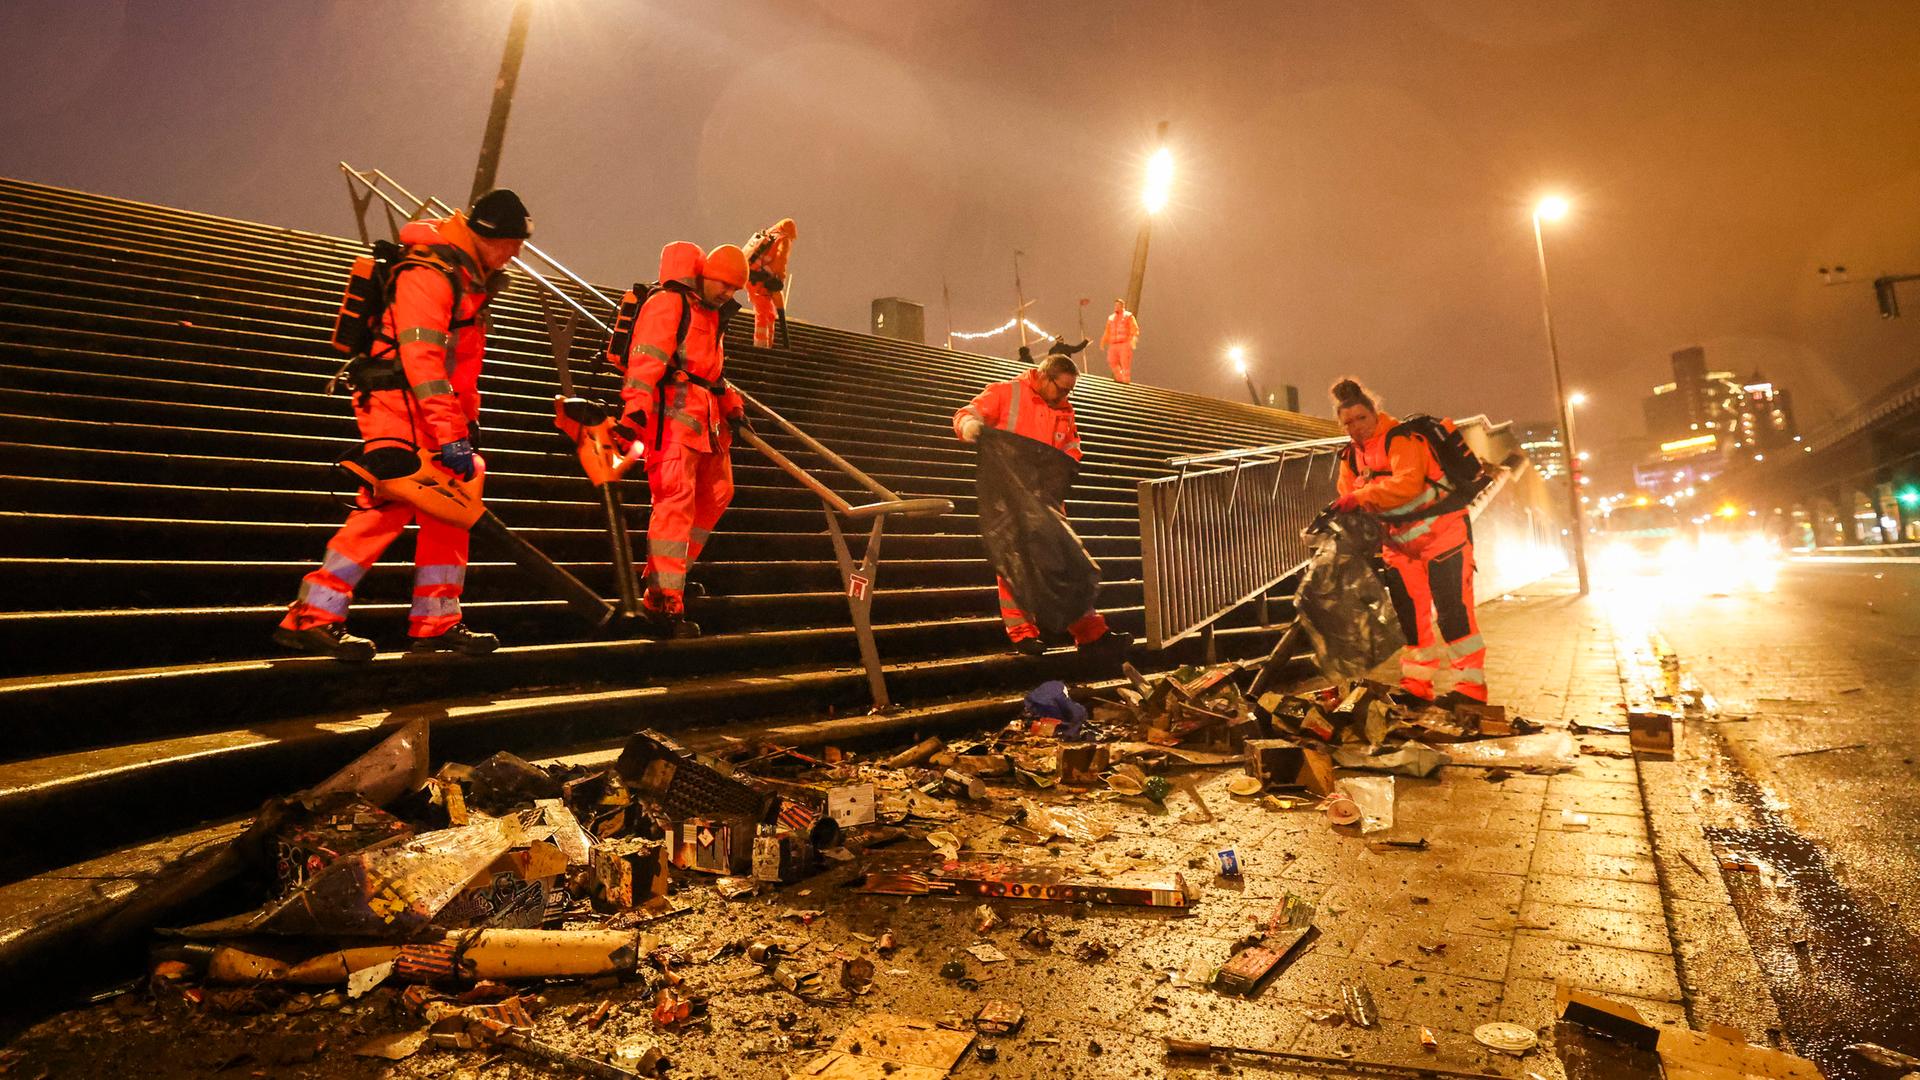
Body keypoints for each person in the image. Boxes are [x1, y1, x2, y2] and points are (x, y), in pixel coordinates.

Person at [273, 189, 531, 662]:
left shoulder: (466, 278)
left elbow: (461, 367)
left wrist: (466, 423)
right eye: (511, 242)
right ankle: (312, 615)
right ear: (485, 235)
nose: (515, 253)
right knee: (384, 509)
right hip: (398, 405)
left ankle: (436, 622)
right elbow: (422, 362)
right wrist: (451, 430)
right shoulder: (429, 273)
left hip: (431, 411)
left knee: (450, 512)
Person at [954, 346, 1131, 656]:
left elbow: (1071, 444)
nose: (1065, 396)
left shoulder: (1063, 407)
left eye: (1069, 391)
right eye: (1061, 389)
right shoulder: (1006, 392)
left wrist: (1068, 463)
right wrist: (970, 428)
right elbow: (966, 414)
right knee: (1016, 562)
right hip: (1008, 498)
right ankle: (1022, 632)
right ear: (1043, 376)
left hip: (1045, 498)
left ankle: (1089, 632)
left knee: (1066, 561)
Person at [612, 241, 750, 638]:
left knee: (719, 493)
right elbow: (646, 360)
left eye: (734, 288)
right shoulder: (670, 302)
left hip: (706, 423)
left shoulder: (710, 312)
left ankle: (671, 575)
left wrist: (732, 405)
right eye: (723, 284)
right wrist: (633, 412)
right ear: (705, 274)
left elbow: (711, 373)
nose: (728, 292)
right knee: (675, 503)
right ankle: (664, 598)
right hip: (670, 422)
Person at [1328, 377, 1487, 705]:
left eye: (1361, 418)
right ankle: (1417, 685)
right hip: (1399, 545)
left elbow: (1407, 485)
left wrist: (1361, 497)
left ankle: (1471, 689)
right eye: (1348, 423)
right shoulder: (1350, 457)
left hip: (1444, 535)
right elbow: (1349, 496)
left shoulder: (1400, 439)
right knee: (1411, 619)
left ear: (1375, 413)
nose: (1356, 427)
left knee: (1453, 613)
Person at [744, 218, 796, 348]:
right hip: (762, 280)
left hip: (750, 276)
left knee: (769, 312)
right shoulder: (784, 239)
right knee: (764, 312)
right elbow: (780, 260)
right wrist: (780, 279)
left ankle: (768, 344)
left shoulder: (769, 233)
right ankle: (761, 346)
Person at [1099, 299, 1139, 383]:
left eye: (1118, 305)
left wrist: (1134, 338)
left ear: (1122, 306)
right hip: (1113, 344)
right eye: (1115, 305)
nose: (1116, 307)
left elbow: (1134, 327)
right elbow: (1107, 331)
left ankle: (1126, 381)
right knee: (1111, 360)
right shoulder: (1111, 318)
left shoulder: (1128, 316)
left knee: (1125, 363)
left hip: (1124, 343)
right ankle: (1119, 378)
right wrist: (1103, 341)